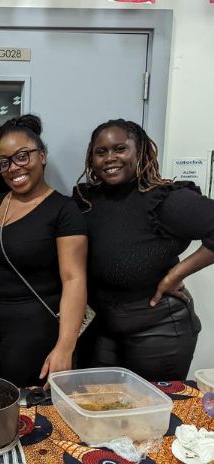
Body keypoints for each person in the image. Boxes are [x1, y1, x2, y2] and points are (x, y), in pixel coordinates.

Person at [0, 114, 88, 388]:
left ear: (42, 156)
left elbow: (74, 279)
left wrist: (65, 347)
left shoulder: (64, 210)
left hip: (34, 326)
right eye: (5, 162)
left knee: (25, 406)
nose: (13, 168)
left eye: (22, 157)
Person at [73, 119, 214, 381]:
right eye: (101, 152)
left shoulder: (164, 199)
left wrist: (176, 275)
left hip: (159, 330)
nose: (110, 158)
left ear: (139, 152)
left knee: (151, 405)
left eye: (120, 149)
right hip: (102, 327)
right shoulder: (86, 201)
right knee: (96, 400)